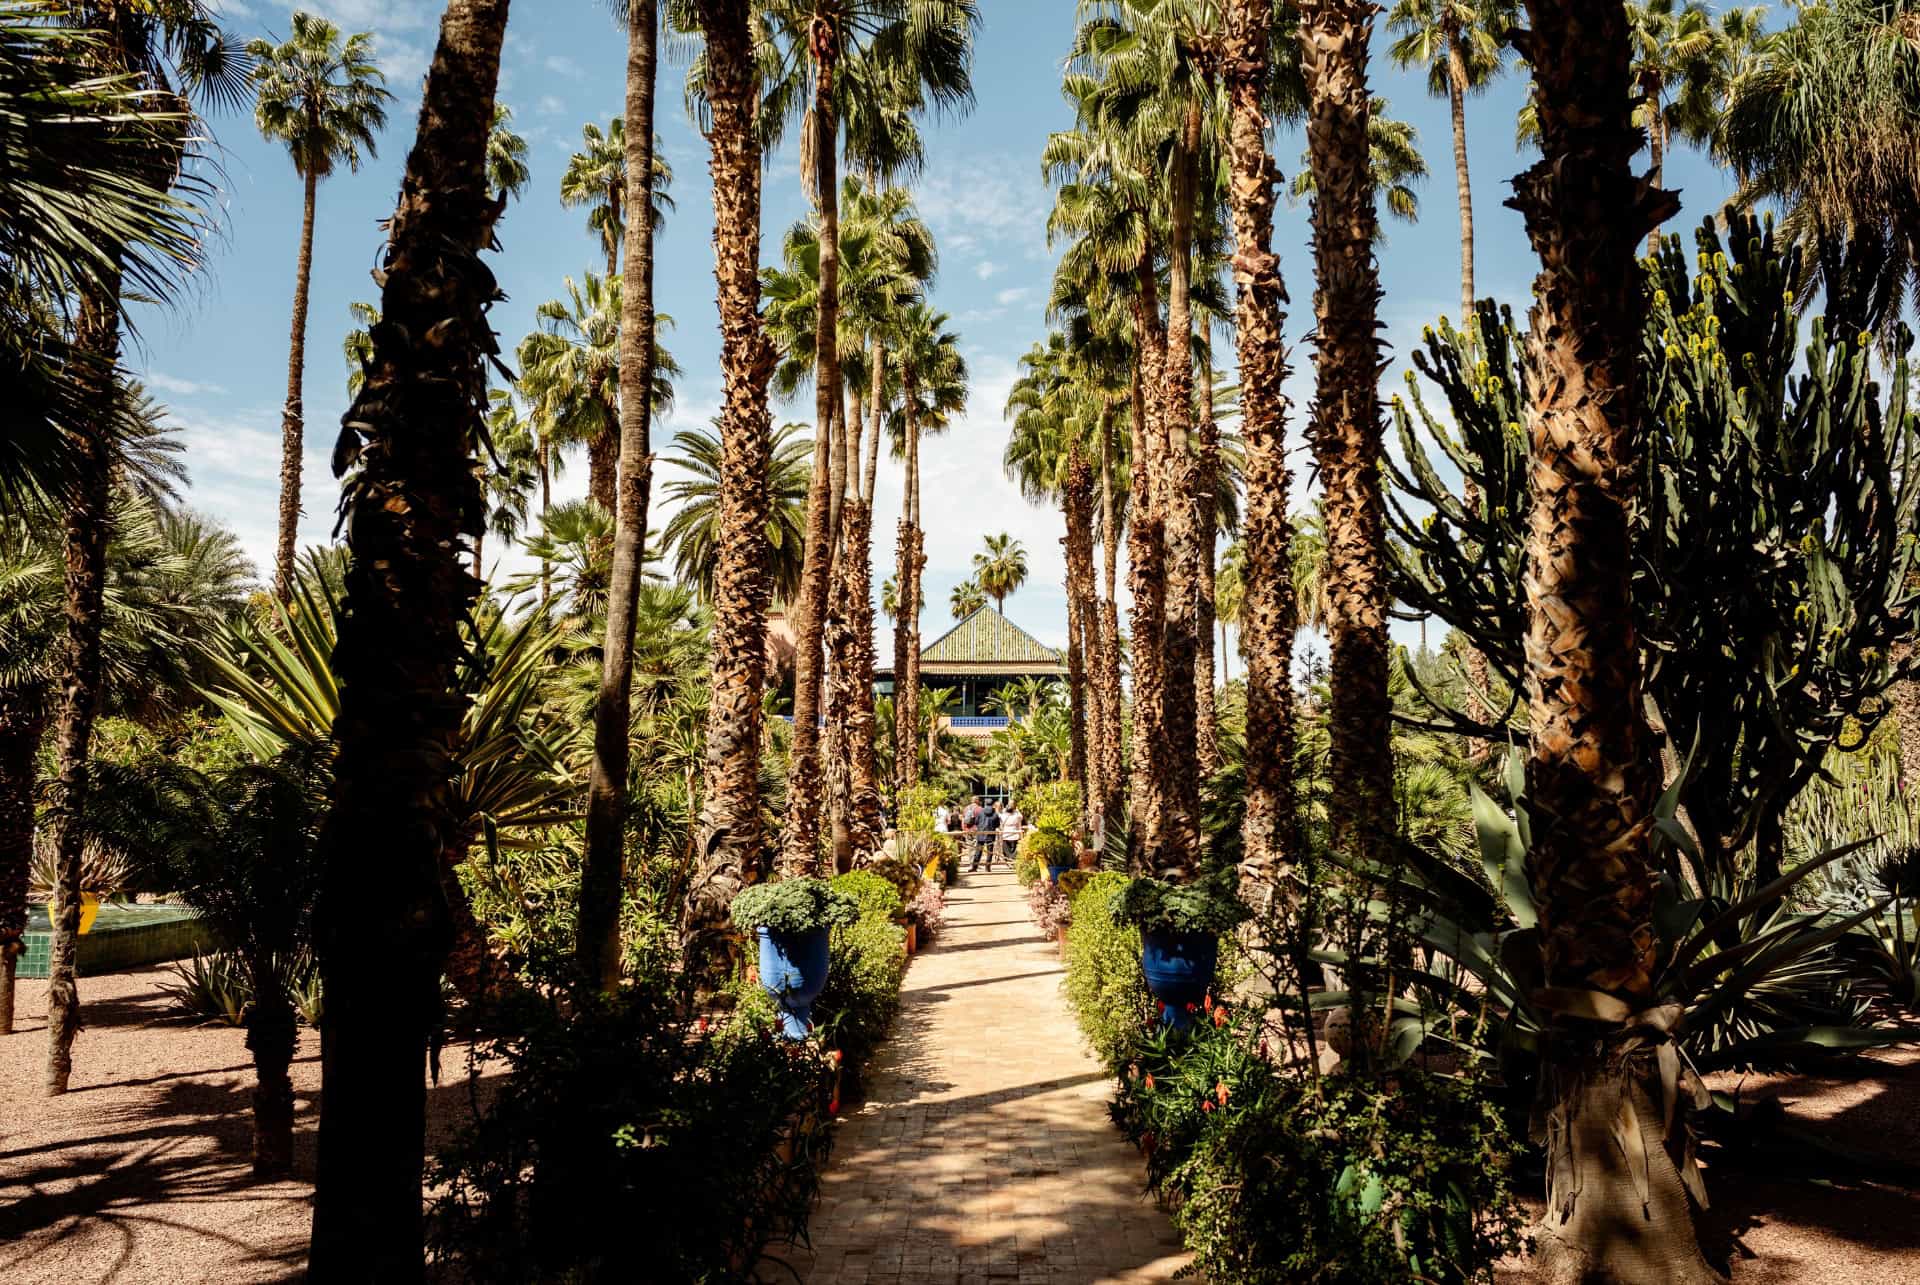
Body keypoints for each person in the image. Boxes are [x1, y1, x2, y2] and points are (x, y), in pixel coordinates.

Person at [969, 799, 1000, 872]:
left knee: (978, 851)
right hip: (990, 834)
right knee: (990, 852)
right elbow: (997, 824)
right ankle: (987, 867)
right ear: (992, 804)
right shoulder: (995, 814)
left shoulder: (980, 812)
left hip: (981, 833)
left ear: (985, 803)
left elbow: (976, 822)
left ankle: (974, 867)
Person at [997, 800, 1024, 867]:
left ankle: (1009, 862)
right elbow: (1020, 820)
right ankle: (1013, 862)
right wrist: (1017, 810)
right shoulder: (1017, 815)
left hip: (1005, 834)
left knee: (1006, 850)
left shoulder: (1003, 815)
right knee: (1014, 850)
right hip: (1015, 834)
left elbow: (1000, 821)